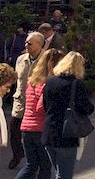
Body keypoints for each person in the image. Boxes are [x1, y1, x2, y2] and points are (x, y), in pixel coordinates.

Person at [42, 51, 94, 179]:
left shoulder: (50, 81)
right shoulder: (76, 84)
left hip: (49, 131)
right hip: (67, 133)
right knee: (64, 175)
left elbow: (45, 105)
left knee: (59, 172)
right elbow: (87, 108)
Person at [17, 48, 64, 179]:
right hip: (41, 130)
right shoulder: (49, 83)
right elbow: (41, 108)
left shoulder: (33, 80)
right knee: (44, 166)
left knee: (31, 165)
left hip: (27, 128)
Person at [10, 31, 46, 170]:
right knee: (14, 129)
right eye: (25, 42)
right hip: (20, 100)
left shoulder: (46, 60)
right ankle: (17, 155)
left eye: (29, 43)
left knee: (34, 135)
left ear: (39, 44)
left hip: (36, 103)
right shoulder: (21, 59)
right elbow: (16, 78)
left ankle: (35, 162)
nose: (26, 45)